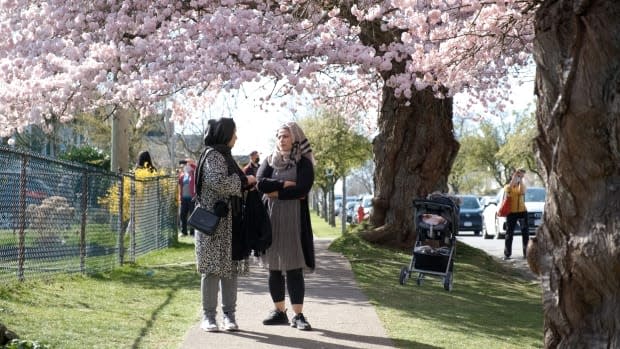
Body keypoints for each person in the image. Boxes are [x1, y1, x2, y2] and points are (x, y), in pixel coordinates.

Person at [194, 117, 257, 332]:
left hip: (230, 224)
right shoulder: (214, 156)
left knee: (230, 270)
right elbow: (218, 182)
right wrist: (244, 181)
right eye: (234, 133)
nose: (236, 137)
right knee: (211, 270)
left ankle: (229, 316)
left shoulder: (225, 155)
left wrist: (245, 184)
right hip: (214, 224)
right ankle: (209, 317)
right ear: (225, 134)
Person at [257, 121, 315, 331]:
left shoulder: (304, 163)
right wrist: (283, 185)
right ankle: (279, 312)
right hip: (271, 220)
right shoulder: (269, 161)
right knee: (273, 267)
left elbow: (302, 189)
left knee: (293, 267)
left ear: (295, 138)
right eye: (279, 136)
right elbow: (260, 183)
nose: (281, 140)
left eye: (286, 136)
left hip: (294, 220)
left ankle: (298, 315)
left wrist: (276, 193)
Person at [502, 168, 529, 260]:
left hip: (522, 212)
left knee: (525, 233)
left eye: (519, 176)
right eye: (516, 176)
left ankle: (526, 254)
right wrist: (515, 177)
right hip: (511, 212)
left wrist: (521, 179)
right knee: (509, 233)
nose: (517, 177)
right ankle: (507, 254)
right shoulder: (507, 186)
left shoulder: (521, 185)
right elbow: (509, 189)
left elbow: (522, 192)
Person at [178, 159, 196, 236]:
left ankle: (192, 232)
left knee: (192, 215)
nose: (186, 166)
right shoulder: (182, 175)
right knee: (182, 215)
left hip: (192, 198)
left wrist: (190, 164)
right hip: (184, 198)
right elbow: (179, 185)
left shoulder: (194, 174)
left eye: (187, 165)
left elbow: (196, 167)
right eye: (185, 165)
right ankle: (183, 231)